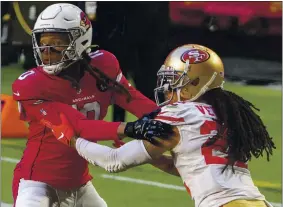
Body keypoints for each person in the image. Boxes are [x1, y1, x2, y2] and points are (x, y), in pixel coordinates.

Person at [43, 44, 276, 207]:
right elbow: (192, 166)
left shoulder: (179, 113)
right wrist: (152, 157)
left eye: (174, 80)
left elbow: (114, 161)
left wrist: (73, 140)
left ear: (193, 84)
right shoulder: (225, 115)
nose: (167, 88)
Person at [11, 3, 172, 207]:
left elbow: (132, 98)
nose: (47, 51)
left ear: (80, 40)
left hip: (80, 184)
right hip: (37, 183)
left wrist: (169, 118)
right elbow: (79, 125)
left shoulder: (103, 65)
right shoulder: (32, 85)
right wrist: (130, 128)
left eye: (57, 43)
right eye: (43, 43)